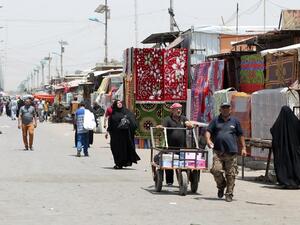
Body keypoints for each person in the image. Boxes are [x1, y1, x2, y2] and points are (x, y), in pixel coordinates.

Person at [205, 102, 246, 202]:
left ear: (230, 110)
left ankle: (229, 193)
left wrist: (243, 148)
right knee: (215, 170)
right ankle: (221, 185)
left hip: (231, 152)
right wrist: (208, 140)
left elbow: (240, 135)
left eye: (227, 108)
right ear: (220, 110)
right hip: (218, 152)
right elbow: (208, 131)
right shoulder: (215, 120)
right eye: (223, 108)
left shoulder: (235, 121)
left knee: (231, 174)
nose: (225, 109)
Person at [157, 103, 193, 185]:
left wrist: (189, 124)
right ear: (172, 110)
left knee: (183, 164)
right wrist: (161, 127)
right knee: (169, 164)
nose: (179, 110)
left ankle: (183, 181)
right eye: (177, 109)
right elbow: (163, 126)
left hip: (182, 146)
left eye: (180, 109)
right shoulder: (167, 119)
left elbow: (188, 123)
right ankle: (169, 182)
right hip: (170, 146)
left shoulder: (183, 118)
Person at [107, 100, 140, 169]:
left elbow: (133, 121)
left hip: (125, 136)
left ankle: (121, 163)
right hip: (115, 136)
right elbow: (110, 124)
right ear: (115, 105)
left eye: (120, 103)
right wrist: (107, 131)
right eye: (117, 103)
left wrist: (127, 121)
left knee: (124, 149)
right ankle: (117, 162)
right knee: (115, 149)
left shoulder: (127, 112)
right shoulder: (113, 113)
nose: (119, 104)